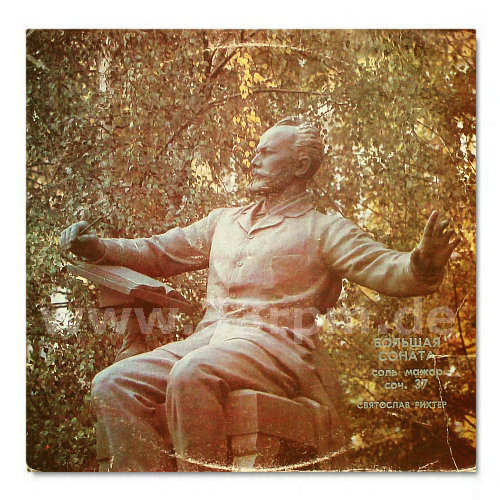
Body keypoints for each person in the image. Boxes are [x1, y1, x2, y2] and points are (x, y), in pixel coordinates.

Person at [60, 116, 459, 471]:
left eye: (267, 153)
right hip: (209, 341)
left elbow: (388, 268)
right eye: (255, 152)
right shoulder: (223, 222)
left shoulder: (323, 229)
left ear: (299, 166)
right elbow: (158, 252)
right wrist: (99, 248)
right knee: (113, 383)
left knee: (192, 373)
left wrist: (423, 263)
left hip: (276, 349)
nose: (254, 161)